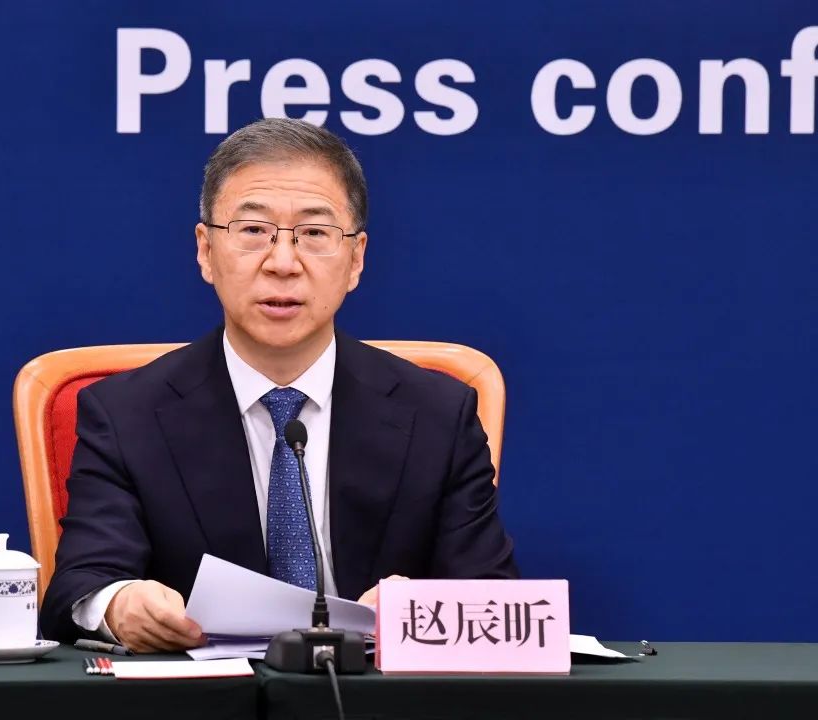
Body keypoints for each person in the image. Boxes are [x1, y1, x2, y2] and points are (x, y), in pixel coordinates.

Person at [39, 117, 519, 652]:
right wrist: (120, 603)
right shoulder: (126, 414)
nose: (283, 263)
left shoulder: (437, 415)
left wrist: (422, 609)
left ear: (356, 259)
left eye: (314, 234)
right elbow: (78, 588)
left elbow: (495, 603)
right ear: (206, 251)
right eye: (252, 231)